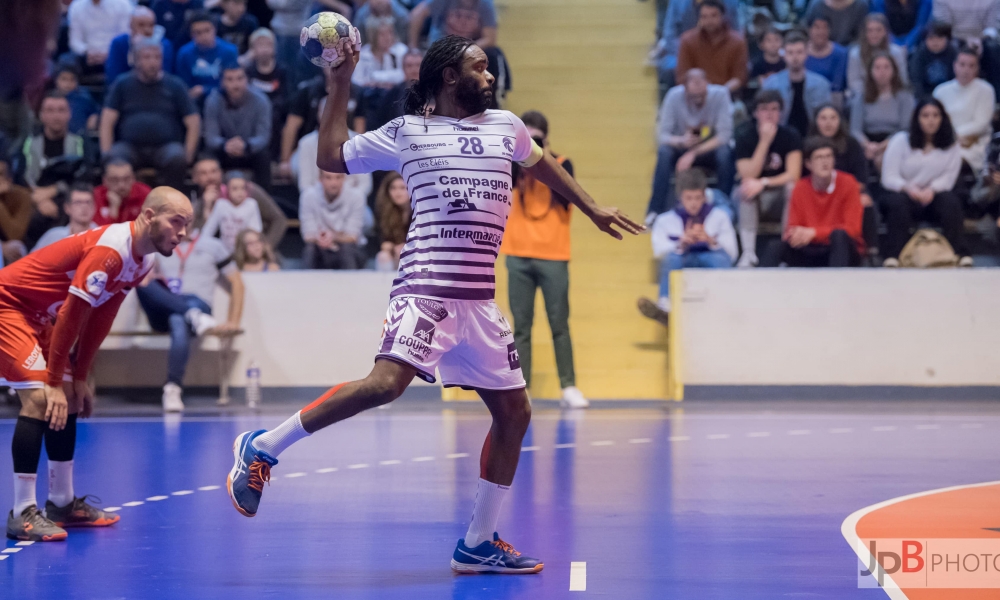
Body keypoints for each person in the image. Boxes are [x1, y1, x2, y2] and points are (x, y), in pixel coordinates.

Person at [225, 35, 643, 575]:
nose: (491, 77)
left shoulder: (507, 126)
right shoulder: (407, 132)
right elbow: (330, 155)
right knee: (384, 385)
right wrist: (339, 82)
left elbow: (542, 166)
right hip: (426, 288)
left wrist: (589, 208)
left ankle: (477, 541)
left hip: (478, 302)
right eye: (481, 67)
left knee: (514, 412)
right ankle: (263, 446)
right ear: (449, 75)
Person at [3, 186, 193, 542]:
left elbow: (100, 314)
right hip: (8, 306)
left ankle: (61, 503)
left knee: (71, 399)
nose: (182, 232)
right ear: (149, 216)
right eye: (176, 222)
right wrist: (57, 380)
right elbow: (74, 314)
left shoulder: (143, 260)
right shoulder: (111, 250)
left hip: (41, 317)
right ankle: (22, 512)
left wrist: (80, 376)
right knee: (42, 398)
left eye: (188, 224)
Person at [500, 110, 588, 409]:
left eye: (537, 138)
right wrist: (520, 157)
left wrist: (543, 158)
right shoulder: (510, 165)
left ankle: (569, 386)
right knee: (521, 327)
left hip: (554, 255)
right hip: (517, 254)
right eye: (528, 138)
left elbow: (568, 197)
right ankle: (522, 390)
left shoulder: (562, 164)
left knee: (559, 323)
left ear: (546, 139)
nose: (533, 142)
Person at [136, 225, 244, 412]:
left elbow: (237, 284)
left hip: (197, 301)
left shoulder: (213, 245)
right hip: (165, 306)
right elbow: (145, 278)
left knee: (179, 320)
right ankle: (193, 316)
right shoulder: (158, 243)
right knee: (141, 284)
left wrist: (233, 321)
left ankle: (172, 388)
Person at [638, 168, 735, 326]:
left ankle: (725, 302)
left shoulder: (719, 217)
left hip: (709, 257)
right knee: (671, 259)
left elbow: (732, 253)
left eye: (698, 198)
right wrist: (681, 243)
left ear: (704, 196)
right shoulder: (665, 220)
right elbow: (659, 251)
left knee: (720, 260)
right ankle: (665, 307)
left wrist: (711, 241)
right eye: (689, 198)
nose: (694, 203)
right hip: (682, 258)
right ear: (680, 197)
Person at [879, 97, 969, 266]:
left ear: (943, 118)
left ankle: (960, 253)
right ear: (917, 118)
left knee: (951, 202)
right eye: (925, 115)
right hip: (904, 193)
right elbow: (888, 177)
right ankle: (893, 255)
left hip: (933, 195)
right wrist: (908, 188)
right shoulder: (900, 141)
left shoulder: (951, 145)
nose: (931, 120)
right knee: (898, 204)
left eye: (935, 115)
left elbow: (949, 178)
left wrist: (931, 190)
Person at [100, 39, 201, 189]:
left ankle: (170, 205)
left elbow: (193, 121)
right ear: (136, 60)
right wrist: (106, 152)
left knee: (177, 158)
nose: (153, 62)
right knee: (115, 158)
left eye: (157, 57)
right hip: (130, 146)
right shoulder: (122, 84)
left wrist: (189, 152)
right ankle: (120, 208)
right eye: (147, 57)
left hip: (165, 146)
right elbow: (107, 120)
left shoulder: (175, 84)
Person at [646, 69, 735, 221]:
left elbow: (724, 136)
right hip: (681, 147)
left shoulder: (720, 95)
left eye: (702, 94)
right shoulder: (673, 96)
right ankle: (655, 210)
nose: (698, 99)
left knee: (725, 153)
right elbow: (662, 135)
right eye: (694, 96)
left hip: (708, 150)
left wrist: (693, 153)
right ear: (685, 89)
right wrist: (681, 141)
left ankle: (724, 207)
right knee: (664, 152)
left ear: (708, 85)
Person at [762, 136, 864, 267]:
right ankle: (760, 285)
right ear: (808, 164)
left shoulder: (848, 183)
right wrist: (802, 235)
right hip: (810, 248)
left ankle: (838, 285)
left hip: (841, 248)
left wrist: (814, 233)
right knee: (775, 246)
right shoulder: (800, 187)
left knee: (839, 236)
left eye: (828, 156)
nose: (825, 162)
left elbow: (853, 229)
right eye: (819, 157)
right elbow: (793, 228)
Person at [733, 89, 804, 267]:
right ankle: (748, 253)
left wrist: (764, 183)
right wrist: (764, 141)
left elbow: (793, 174)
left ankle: (785, 250)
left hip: (778, 194)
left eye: (774, 109)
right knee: (746, 188)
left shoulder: (791, 135)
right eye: (764, 109)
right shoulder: (744, 135)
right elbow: (748, 174)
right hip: (753, 197)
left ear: (781, 113)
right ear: (756, 112)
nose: (769, 114)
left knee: (793, 188)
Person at [810, 104, 878, 255]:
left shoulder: (852, 144)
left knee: (865, 200)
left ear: (840, 121)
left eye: (833, 118)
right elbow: (804, 180)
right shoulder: (808, 145)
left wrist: (841, 193)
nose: (828, 123)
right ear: (816, 122)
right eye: (823, 118)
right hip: (817, 194)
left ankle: (871, 250)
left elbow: (861, 180)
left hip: (848, 194)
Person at [189, 156, 288, 248]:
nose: (210, 177)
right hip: (219, 253)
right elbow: (197, 237)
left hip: (253, 251)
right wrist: (207, 207)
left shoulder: (248, 191)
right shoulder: (199, 203)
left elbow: (279, 220)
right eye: (203, 173)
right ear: (195, 178)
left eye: (214, 171)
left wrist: (265, 247)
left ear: (220, 173)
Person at [203, 64, 273, 188]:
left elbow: (263, 136)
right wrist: (225, 145)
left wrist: (245, 145)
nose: (235, 84)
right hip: (223, 150)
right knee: (207, 156)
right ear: (222, 82)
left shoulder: (261, 101)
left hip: (250, 150)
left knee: (264, 156)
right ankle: (208, 199)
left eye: (240, 78)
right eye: (230, 79)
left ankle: (265, 199)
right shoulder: (213, 101)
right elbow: (211, 136)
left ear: (247, 80)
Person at [651, 0, 741, 91]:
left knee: (742, 65)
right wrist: (690, 52)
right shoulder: (677, 2)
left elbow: (737, 32)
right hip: (684, 51)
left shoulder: (731, 2)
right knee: (671, 67)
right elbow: (670, 35)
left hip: (721, 49)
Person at [933, 49, 996, 176]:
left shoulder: (986, 90)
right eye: (962, 64)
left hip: (973, 146)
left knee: (948, 162)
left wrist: (954, 136)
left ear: (977, 68)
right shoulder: (941, 91)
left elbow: (981, 123)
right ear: (954, 65)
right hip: (942, 143)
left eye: (971, 65)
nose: (966, 70)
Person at [850, 52, 915, 171]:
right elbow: (855, 130)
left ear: (894, 71)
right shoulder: (862, 97)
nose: (882, 72)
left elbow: (905, 128)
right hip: (867, 141)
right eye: (877, 68)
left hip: (895, 140)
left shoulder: (905, 97)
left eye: (886, 67)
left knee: (883, 159)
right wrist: (868, 146)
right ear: (870, 71)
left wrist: (883, 146)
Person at [762, 31, 832, 138]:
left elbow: (827, 117)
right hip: (780, 138)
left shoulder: (821, 84)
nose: (795, 57)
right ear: (783, 54)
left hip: (814, 138)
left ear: (806, 53)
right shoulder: (771, 84)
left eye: (799, 52)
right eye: (790, 53)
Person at [674, 0, 748, 95]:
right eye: (704, 17)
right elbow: (682, 76)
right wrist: (700, 90)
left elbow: (739, 78)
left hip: (728, 95)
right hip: (694, 96)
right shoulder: (687, 40)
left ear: (723, 16)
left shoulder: (737, 42)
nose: (709, 21)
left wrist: (719, 93)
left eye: (714, 15)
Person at [17, 92, 86, 192]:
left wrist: (53, 190)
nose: (56, 116)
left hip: (70, 197)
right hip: (35, 196)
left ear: (69, 114)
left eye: (61, 110)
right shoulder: (29, 143)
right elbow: (23, 178)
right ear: (41, 115)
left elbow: (81, 176)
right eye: (50, 110)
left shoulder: (80, 143)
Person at [300, 171, 367, 269]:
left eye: (338, 177)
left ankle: (351, 283)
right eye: (328, 177)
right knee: (310, 250)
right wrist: (321, 238)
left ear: (344, 178)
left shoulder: (356, 196)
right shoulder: (308, 196)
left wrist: (332, 237)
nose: (333, 183)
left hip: (351, 250)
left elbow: (353, 236)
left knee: (347, 249)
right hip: (320, 247)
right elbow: (307, 235)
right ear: (320, 179)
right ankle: (307, 283)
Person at [175, 11, 239, 101]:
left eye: (207, 30)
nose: (204, 36)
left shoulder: (230, 52)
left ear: (215, 29)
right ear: (191, 34)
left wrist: (205, 90)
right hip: (194, 100)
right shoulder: (184, 54)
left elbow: (233, 83)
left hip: (223, 100)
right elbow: (183, 85)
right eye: (198, 32)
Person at [245, 28, 288, 159]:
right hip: (252, 109)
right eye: (260, 45)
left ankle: (275, 156)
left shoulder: (282, 70)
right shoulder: (248, 71)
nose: (264, 49)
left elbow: (286, 96)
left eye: (268, 45)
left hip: (275, 111)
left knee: (274, 117)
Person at [106, 5, 176, 84]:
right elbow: (113, 78)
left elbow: (166, 78)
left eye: (151, 25)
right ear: (131, 26)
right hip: (126, 91)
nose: (147, 30)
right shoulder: (119, 44)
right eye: (141, 25)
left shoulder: (164, 45)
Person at [846, 14, 909, 96]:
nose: (874, 34)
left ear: (886, 32)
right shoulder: (855, 54)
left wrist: (886, 93)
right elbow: (854, 83)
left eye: (879, 30)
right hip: (864, 96)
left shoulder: (897, 52)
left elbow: (902, 79)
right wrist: (873, 93)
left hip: (892, 95)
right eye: (870, 30)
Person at [66, 0, 132, 77]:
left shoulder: (123, 4)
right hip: (87, 56)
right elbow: (74, 41)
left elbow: (125, 36)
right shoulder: (76, 6)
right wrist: (87, 52)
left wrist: (109, 53)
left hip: (115, 54)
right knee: (66, 61)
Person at [201, 171, 263, 252]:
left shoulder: (251, 204)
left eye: (242, 188)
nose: (239, 192)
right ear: (226, 190)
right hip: (224, 251)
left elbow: (256, 230)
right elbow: (208, 230)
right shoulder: (221, 204)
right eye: (235, 189)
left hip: (245, 251)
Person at [32, 183, 97, 252]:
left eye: (88, 202)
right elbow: (30, 260)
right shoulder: (54, 236)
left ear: (94, 207)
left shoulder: (103, 236)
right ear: (67, 208)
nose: (84, 207)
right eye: (78, 202)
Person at [408, 0, 498, 49]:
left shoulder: (485, 4)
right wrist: (413, 46)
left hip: (470, 47)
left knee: (494, 53)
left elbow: (490, 39)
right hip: (442, 45)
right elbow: (416, 14)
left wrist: (465, 48)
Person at [265, 0, 313, 87]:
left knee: (294, 71)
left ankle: (294, 97)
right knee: (279, 68)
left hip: (296, 34)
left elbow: (285, 4)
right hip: (278, 32)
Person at [93, 159, 152, 226]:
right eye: (115, 180)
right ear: (105, 180)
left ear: (133, 178)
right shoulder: (96, 196)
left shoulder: (144, 193)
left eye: (126, 179)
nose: (121, 185)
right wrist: (114, 210)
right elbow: (97, 231)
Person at [910, 21, 957, 99]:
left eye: (939, 38)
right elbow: (916, 81)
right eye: (931, 38)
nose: (935, 42)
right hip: (926, 94)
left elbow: (956, 79)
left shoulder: (954, 53)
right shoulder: (919, 54)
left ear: (947, 39)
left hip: (950, 94)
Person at [805, 15, 848, 98]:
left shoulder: (840, 53)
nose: (821, 32)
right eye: (817, 27)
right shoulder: (800, 51)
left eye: (825, 27)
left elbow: (837, 86)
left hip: (832, 97)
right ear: (809, 30)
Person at [374, 171, 410, 271]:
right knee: (383, 256)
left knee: (403, 252)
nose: (397, 193)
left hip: (416, 253)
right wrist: (386, 245)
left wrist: (406, 246)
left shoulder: (420, 211)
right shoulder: (384, 211)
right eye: (393, 188)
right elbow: (380, 237)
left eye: (402, 188)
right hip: (393, 252)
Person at [51, 63, 100, 135]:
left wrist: (95, 118)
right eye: (64, 79)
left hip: (81, 138)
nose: (67, 84)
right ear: (56, 81)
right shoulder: (50, 100)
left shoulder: (85, 100)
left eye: (72, 80)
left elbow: (97, 113)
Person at [0, 161, 33, 265]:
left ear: (9, 180)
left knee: (16, 247)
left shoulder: (22, 196)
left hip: (14, 247)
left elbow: (15, 235)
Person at [931, 0, 1000, 47]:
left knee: (993, 46)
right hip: (953, 38)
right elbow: (944, 25)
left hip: (982, 39)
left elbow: (992, 26)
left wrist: (981, 41)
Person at [803, 0, 870, 47]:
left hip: (851, 52)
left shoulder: (860, 6)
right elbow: (807, 31)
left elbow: (862, 36)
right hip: (822, 49)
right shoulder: (816, 5)